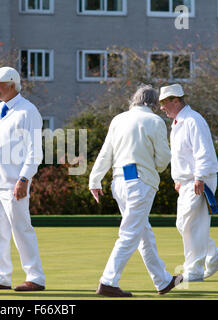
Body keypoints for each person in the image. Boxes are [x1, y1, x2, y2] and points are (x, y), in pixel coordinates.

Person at [89, 85, 182, 297]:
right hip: (140, 183)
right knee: (130, 233)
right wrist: (157, 167)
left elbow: (105, 153)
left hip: (118, 182)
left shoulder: (118, 120)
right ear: (154, 103)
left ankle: (163, 281)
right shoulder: (155, 121)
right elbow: (164, 158)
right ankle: (108, 281)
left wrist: (94, 180)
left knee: (143, 233)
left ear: (134, 100)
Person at [0, 67, 45, 292]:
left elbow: (35, 151)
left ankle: (35, 278)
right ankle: (0, 276)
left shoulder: (28, 111)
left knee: (21, 228)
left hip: (14, 182)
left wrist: (24, 179)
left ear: (12, 85)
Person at [159, 84, 218, 282]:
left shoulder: (193, 120)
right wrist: (178, 179)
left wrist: (199, 177)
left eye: (164, 103)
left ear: (176, 100)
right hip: (187, 181)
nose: (162, 107)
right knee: (184, 223)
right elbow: (181, 155)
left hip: (200, 179)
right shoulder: (179, 122)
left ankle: (194, 270)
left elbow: (202, 151)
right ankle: (213, 255)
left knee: (192, 224)